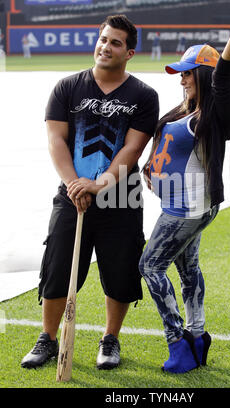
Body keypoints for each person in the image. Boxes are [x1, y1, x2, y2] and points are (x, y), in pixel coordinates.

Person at [21, 14, 159, 370]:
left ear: (129, 53)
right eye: (103, 39)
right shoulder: (67, 88)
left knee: (120, 270)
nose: (106, 47)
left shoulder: (143, 96)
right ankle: (48, 339)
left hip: (119, 197)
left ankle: (110, 339)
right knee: (57, 268)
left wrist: (99, 185)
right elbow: (56, 141)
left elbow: (132, 150)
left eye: (116, 43)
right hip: (72, 196)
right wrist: (74, 184)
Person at [139, 24, 230, 374]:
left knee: (149, 267)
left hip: (186, 210)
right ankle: (197, 337)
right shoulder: (185, 109)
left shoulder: (213, 115)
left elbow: (223, 83)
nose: (181, 81)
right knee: (188, 269)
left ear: (203, 76)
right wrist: (149, 168)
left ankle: (177, 343)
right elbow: (168, 148)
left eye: (187, 75)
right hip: (182, 207)